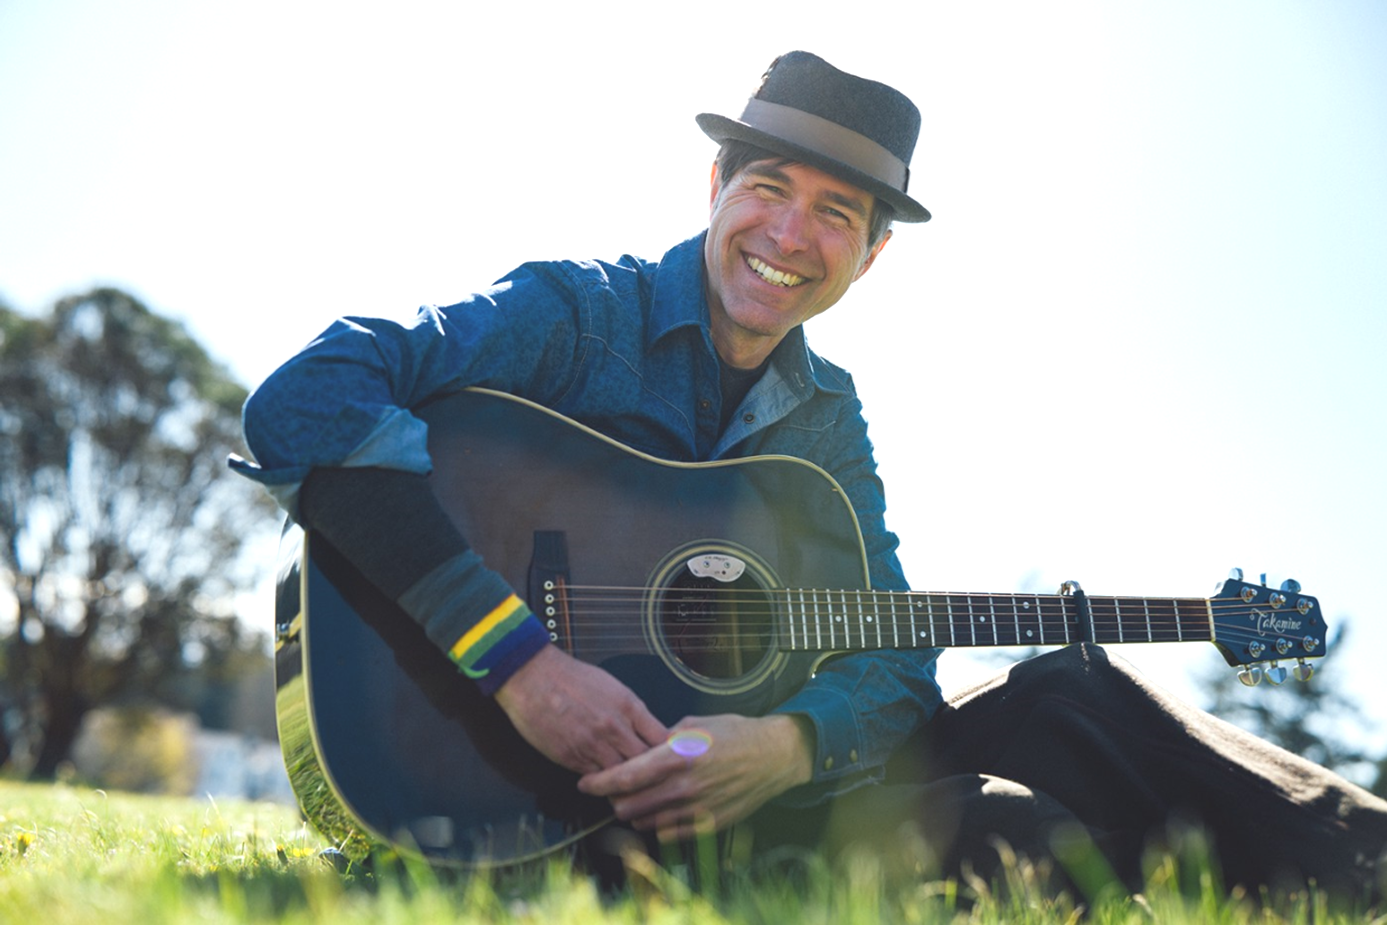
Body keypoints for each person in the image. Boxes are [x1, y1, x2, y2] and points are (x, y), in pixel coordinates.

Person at [232, 51, 1387, 905]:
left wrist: (786, 741)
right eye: (769, 188)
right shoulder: (579, 317)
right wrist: (517, 660)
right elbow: (306, 397)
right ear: (716, 185)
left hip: (742, 805)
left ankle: (1361, 859)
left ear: (873, 251)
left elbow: (888, 653)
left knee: (1066, 707)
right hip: (525, 799)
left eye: (836, 213)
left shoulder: (827, 422)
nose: (790, 233)